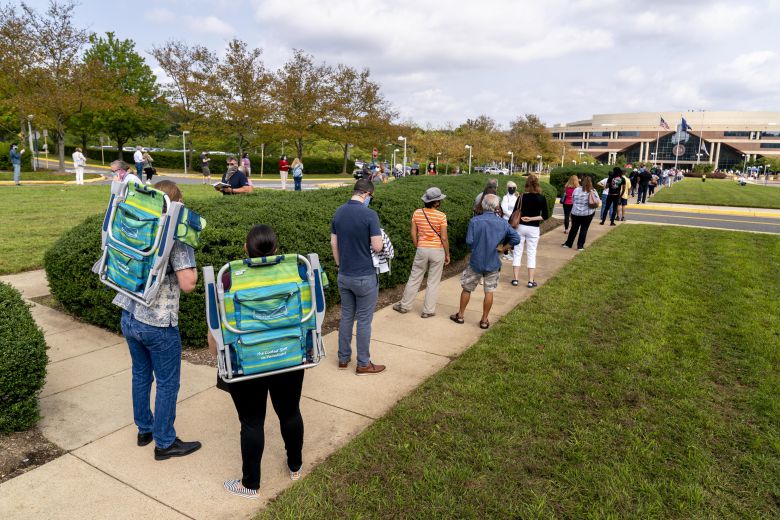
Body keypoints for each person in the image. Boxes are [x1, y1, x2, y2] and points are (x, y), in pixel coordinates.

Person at [215, 224, 306, 499]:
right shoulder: (296, 269)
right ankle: (295, 466)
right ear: (276, 250)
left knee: (252, 423)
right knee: (290, 412)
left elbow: (216, 327)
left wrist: (219, 359)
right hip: (288, 355)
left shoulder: (229, 278)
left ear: (246, 250)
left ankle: (250, 484)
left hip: (247, 359)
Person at [113, 180, 201, 461]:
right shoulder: (175, 233)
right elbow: (188, 283)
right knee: (167, 383)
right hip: (158, 321)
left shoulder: (137, 224)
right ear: (177, 203)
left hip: (129, 313)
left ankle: (145, 429)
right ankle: (164, 443)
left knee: (140, 374)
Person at [330, 178, 386, 375]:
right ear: (367, 194)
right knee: (363, 320)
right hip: (365, 276)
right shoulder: (370, 215)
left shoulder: (339, 212)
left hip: (344, 274)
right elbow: (378, 246)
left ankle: (343, 358)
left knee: (346, 316)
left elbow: (334, 244)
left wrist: (339, 265)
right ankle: (363, 363)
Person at [450, 194, 519, 329]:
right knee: (489, 291)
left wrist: (478, 246)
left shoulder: (475, 221)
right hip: (493, 261)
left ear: (482, 205)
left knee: (467, 288)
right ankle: (484, 320)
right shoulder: (503, 223)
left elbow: (469, 241)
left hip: (476, 261)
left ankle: (461, 315)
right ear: (496, 207)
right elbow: (516, 238)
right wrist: (503, 248)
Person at [392, 187, 450, 318]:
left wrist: (417, 245)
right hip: (437, 250)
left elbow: (413, 232)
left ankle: (404, 306)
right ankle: (428, 311)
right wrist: (447, 254)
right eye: (439, 200)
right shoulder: (442, 216)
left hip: (422, 249)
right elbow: (444, 238)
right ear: (436, 202)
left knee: (414, 278)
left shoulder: (417, 213)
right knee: (433, 282)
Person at [511, 174, 549, 288]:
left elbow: (514, 213)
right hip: (533, 228)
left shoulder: (521, 197)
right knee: (531, 253)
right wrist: (532, 218)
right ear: (537, 184)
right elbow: (545, 216)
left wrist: (525, 218)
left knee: (517, 252)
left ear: (526, 184)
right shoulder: (541, 198)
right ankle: (530, 281)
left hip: (520, 227)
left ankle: (515, 279)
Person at [562, 176, 597, 251]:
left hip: (575, 213)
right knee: (584, 229)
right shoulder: (593, 191)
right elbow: (596, 202)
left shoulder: (576, 190)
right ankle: (580, 246)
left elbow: (573, 200)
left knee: (574, 228)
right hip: (587, 213)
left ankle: (568, 244)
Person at [500, 181, 519, 261]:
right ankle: (505, 253)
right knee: (507, 237)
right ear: (508, 188)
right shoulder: (505, 198)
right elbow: (504, 209)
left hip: (514, 220)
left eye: (513, 188)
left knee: (513, 236)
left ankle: (511, 250)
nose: (512, 189)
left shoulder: (515, 197)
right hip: (507, 220)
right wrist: (512, 216)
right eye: (510, 187)